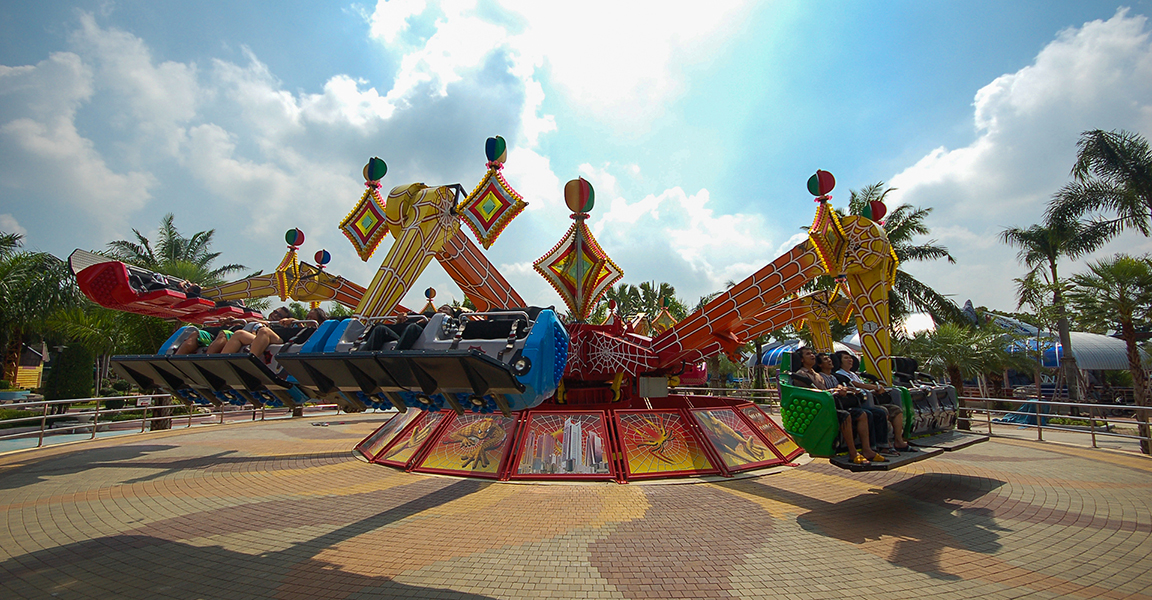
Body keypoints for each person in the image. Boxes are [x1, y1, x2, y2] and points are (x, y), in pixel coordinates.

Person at [791, 347, 884, 464]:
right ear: (802, 359)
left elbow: (826, 390)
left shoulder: (817, 375)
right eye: (808, 354)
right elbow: (810, 394)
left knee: (862, 414)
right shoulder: (801, 375)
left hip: (829, 405)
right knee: (845, 415)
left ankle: (867, 449)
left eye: (812, 353)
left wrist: (839, 389)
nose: (812, 356)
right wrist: (834, 391)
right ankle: (852, 453)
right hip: (818, 410)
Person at [818, 353, 896, 456]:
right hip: (834, 406)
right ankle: (858, 451)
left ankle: (878, 446)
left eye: (829, 359)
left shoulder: (834, 377)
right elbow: (823, 391)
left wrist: (845, 389)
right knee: (862, 414)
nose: (829, 361)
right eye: (825, 359)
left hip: (847, 402)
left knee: (878, 412)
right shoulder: (821, 376)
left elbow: (842, 385)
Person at [834, 350, 912, 452]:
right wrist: (876, 387)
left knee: (896, 410)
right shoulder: (840, 374)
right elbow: (858, 385)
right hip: (859, 402)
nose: (850, 360)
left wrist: (876, 389)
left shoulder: (854, 374)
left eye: (850, 358)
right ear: (839, 361)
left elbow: (862, 384)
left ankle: (898, 440)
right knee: (881, 412)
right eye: (846, 358)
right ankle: (883, 444)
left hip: (869, 399)